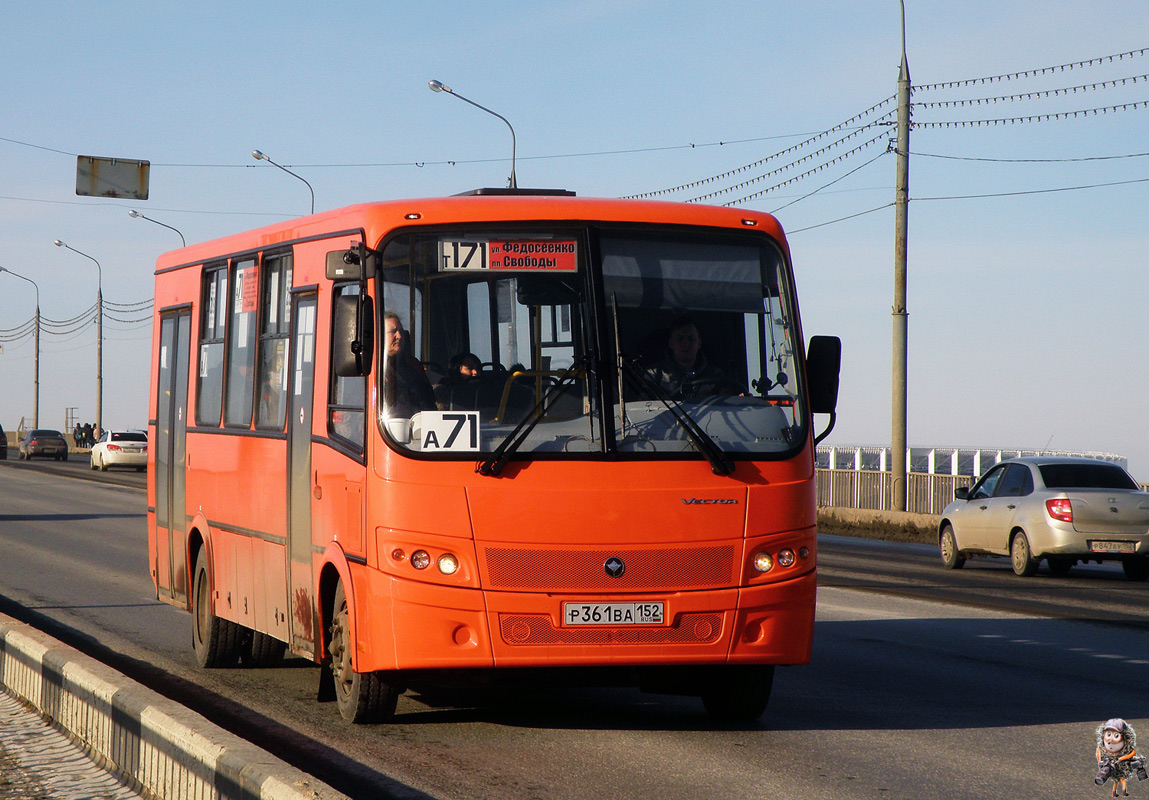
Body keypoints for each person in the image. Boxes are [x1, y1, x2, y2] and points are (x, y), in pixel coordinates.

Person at [645, 316, 735, 401]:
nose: (685, 343)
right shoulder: (652, 375)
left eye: (691, 339)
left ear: (699, 343)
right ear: (671, 343)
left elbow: (727, 403)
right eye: (680, 338)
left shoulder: (716, 376)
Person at [382, 312, 435, 419]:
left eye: (401, 331)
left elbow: (429, 403)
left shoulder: (413, 365)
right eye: (393, 332)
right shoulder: (371, 369)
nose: (400, 336)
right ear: (379, 335)